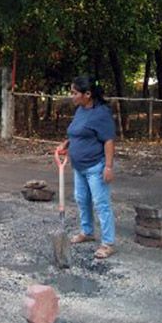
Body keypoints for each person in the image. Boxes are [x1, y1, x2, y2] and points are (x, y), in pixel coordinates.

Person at [56, 76, 117, 259]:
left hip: (95, 167)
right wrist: (66, 144)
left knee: (101, 203)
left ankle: (108, 243)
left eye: (75, 93)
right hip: (79, 167)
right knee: (81, 199)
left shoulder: (101, 113)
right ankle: (87, 232)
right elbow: (77, 133)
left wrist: (108, 167)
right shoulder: (81, 110)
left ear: (87, 94)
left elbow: (108, 141)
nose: (72, 96)